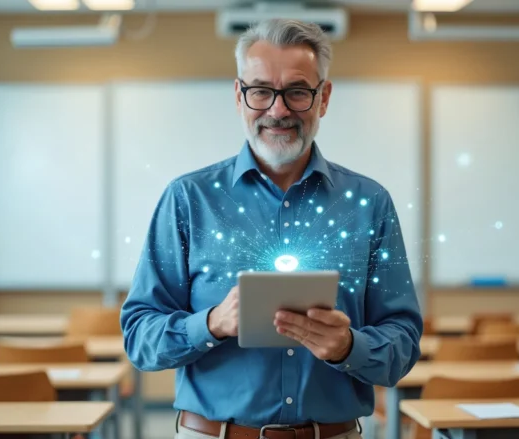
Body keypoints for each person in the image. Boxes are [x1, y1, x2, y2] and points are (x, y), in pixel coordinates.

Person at [120, 18, 422, 439]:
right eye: (261, 90)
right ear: (239, 96)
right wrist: (210, 324)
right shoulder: (187, 200)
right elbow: (139, 336)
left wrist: (349, 347)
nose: (278, 110)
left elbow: (403, 342)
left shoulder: (370, 204)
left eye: (297, 92)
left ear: (324, 98)